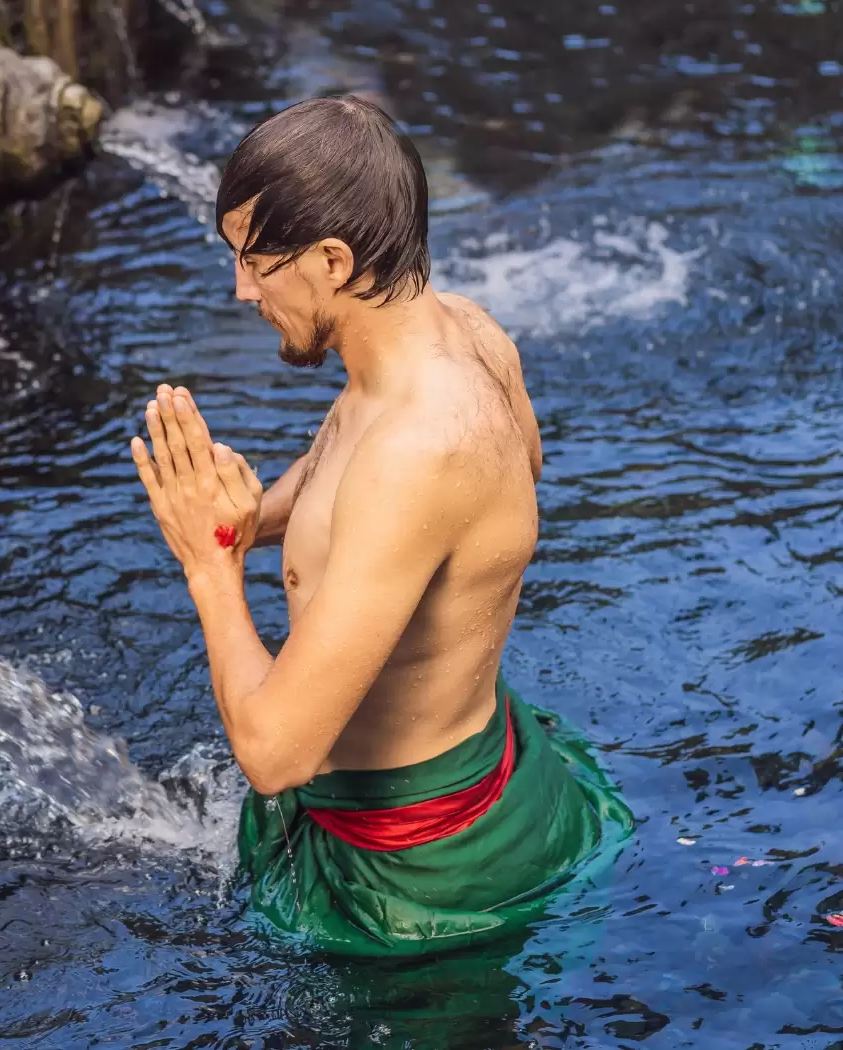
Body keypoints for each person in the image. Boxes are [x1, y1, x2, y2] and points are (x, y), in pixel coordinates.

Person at [128, 95, 629, 956]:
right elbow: (469, 474)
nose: (240, 290)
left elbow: (277, 755)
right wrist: (255, 520)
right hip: (485, 762)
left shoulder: (419, 452)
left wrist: (208, 563)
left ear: (331, 259)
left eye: (256, 262)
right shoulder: (460, 331)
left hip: (419, 885)